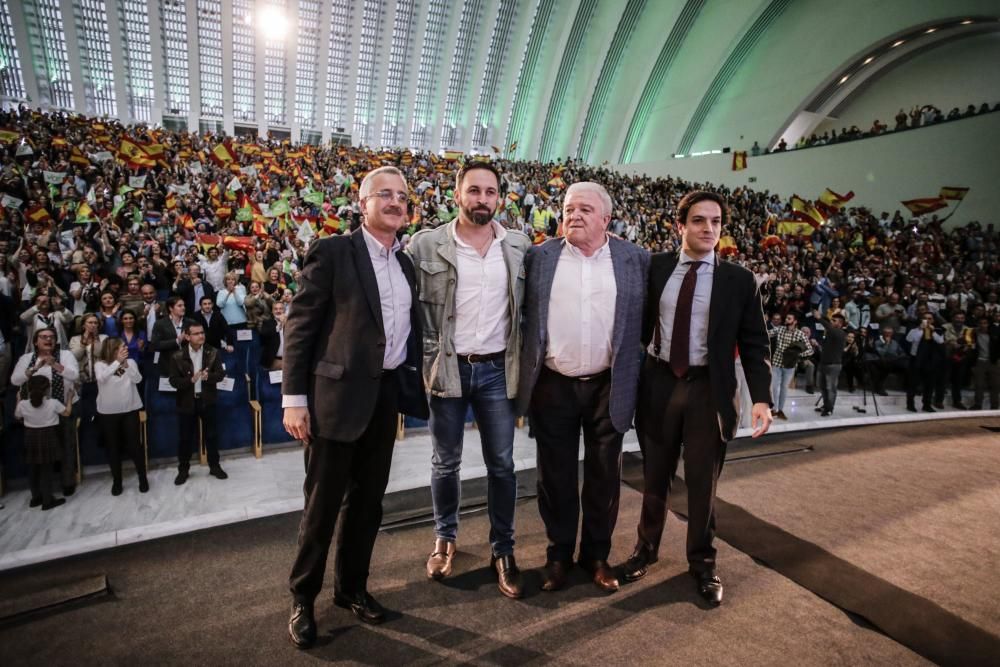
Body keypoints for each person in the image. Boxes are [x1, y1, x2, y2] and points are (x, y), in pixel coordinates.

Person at [282, 166, 428, 649]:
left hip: (384, 399)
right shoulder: (332, 251)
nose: (394, 202)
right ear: (361, 204)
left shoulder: (405, 265)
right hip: (334, 403)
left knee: (368, 506)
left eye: (401, 196)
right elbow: (299, 328)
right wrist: (294, 399)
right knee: (322, 507)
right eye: (383, 195)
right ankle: (303, 597)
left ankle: (351, 588)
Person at [622, 190, 772, 606]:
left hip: (710, 389)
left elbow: (755, 342)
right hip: (659, 382)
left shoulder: (739, 279)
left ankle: (703, 564)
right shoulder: (654, 268)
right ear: (680, 225)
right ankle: (644, 552)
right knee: (655, 478)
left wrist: (761, 397)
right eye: (700, 221)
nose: (709, 229)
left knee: (704, 484)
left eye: (716, 222)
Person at [517, 182, 649, 593]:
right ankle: (558, 556)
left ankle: (596, 555)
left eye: (585, 209)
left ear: (606, 219)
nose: (574, 215)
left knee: (603, 476)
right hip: (553, 386)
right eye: (568, 208)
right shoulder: (540, 257)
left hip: (609, 385)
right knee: (554, 477)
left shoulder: (636, 259)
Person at [408, 160, 531, 598]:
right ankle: (445, 538)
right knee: (446, 462)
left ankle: (504, 549)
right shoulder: (424, 246)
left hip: (498, 370)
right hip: (448, 369)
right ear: (456, 194)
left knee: (502, 464)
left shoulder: (517, 246)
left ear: (500, 197)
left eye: (490, 192)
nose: (483, 199)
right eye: (474, 190)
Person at [11, 328, 81, 496]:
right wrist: (34, 368)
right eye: (44, 337)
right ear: (36, 341)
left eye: (52, 337)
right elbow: (15, 380)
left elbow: (74, 375)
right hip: (36, 413)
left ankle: (67, 482)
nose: (48, 339)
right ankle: (40, 490)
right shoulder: (27, 358)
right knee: (39, 453)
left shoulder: (65, 355)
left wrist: (55, 364)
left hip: (63, 406)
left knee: (66, 446)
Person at [167, 321, 228, 484]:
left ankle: (214, 466)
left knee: (212, 436)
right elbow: (173, 381)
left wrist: (210, 377)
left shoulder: (212, 352)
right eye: (196, 333)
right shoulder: (177, 356)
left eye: (202, 332)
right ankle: (183, 469)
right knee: (185, 438)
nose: (201, 336)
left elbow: (221, 374)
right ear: (187, 336)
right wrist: (190, 380)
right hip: (186, 402)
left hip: (207, 400)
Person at [94, 338, 147, 495]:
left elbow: (138, 379)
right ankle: (117, 481)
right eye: (122, 347)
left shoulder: (130, 361)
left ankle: (142, 478)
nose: (126, 349)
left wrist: (126, 365)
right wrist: (117, 363)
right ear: (113, 349)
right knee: (113, 448)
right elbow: (101, 378)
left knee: (135, 446)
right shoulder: (100, 364)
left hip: (130, 409)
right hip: (108, 413)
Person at [15, 375, 73, 510]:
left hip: (30, 437)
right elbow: (67, 413)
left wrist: (18, 400)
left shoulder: (23, 404)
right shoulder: (52, 403)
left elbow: (17, 416)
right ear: (47, 390)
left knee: (33, 468)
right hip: (48, 436)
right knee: (46, 469)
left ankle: (36, 497)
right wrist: (69, 398)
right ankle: (47, 500)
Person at [769, 313, 812, 419]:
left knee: (784, 388)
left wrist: (798, 355)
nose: (786, 319)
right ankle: (775, 409)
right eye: (786, 318)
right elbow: (767, 333)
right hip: (777, 362)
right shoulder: (780, 329)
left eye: (789, 318)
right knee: (774, 386)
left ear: (795, 321)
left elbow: (810, 350)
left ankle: (780, 410)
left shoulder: (800, 334)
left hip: (790, 365)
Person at [905, 312, 944, 412]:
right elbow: (909, 339)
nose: (927, 320)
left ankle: (927, 404)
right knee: (913, 383)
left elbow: (940, 341)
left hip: (930, 360)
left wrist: (932, 331)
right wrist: (921, 329)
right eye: (925, 318)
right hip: (916, 359)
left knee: (929, 384)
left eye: (930, 318)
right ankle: (910, 403)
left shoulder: (938, 331)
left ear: (933, 320)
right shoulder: (915, 330)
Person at [813, 309, 847, 416]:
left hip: (833, 365)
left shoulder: (840, 333)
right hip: (823, 363)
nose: (831, 322)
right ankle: (826, 405)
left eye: (834, 320)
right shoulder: (830, 333)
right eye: (831, 320)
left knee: (831, 388)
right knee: (822, 386)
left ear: (840, 324)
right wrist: (818, 346)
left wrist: (819, 318)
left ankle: (829, 409)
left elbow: (829, 327)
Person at [150, 296, 190, 374]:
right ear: (171, 308)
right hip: (167, 364)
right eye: (179, 306)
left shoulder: (191, 322)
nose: (183, 308)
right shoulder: (160, 324)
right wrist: (177, 341)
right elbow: (156, 344)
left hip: (188, 366)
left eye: (184, 305)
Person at [971, 317, 1000, 409]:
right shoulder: (974, 334)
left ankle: (994, 406)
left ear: (988, 324)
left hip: (993, 362)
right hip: (979, 361)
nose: (983, 325)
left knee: (995, 385)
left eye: (985, 323)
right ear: (978, 324)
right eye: (981, 323)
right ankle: (978, 404)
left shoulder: (994, 335)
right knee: (979, 385)